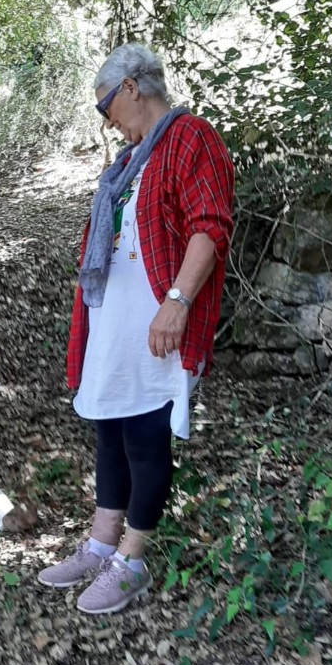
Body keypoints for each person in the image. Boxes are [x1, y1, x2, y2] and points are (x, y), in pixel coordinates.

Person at [38, 43, 234, 614]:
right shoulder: (127, 163)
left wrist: (176, 302)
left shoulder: (190, 137)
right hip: (114, 326)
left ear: (131, 88)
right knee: (109, 430)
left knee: (146, 437)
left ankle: (133, 559)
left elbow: (209, 225)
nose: (107, 120)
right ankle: (101, 544)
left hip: (157, 324)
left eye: (106, 106)